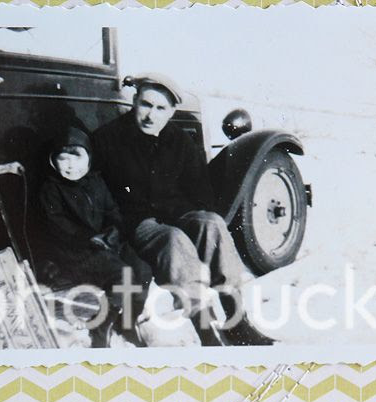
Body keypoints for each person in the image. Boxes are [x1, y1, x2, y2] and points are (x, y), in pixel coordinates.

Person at [91, 73, 273, 346]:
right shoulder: (108, 139)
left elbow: (201, 192)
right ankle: (207, 331)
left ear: (171, 112)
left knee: (212, 224)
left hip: (176, 215)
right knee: (173, 240)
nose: (151, 115)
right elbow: (99, 194)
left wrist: (192, 221)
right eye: (146, 105)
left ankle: (237, 320)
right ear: (135, 101)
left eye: (160, 108)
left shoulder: (179, 141)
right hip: (137, 222)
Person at [35, 126, 151, 347]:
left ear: (89, 158)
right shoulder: (51, 189)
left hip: (106, 243)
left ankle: (127, 322)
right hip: (76, 251)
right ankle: (100, 327)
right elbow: (57, 225)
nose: (71, 165)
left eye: (77, 157)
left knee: (143, 271)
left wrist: (113, 231)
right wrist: (89, 238)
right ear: (53, 161)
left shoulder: (96, 182)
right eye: (63, 158)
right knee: (123, 276)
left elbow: (112, 211)